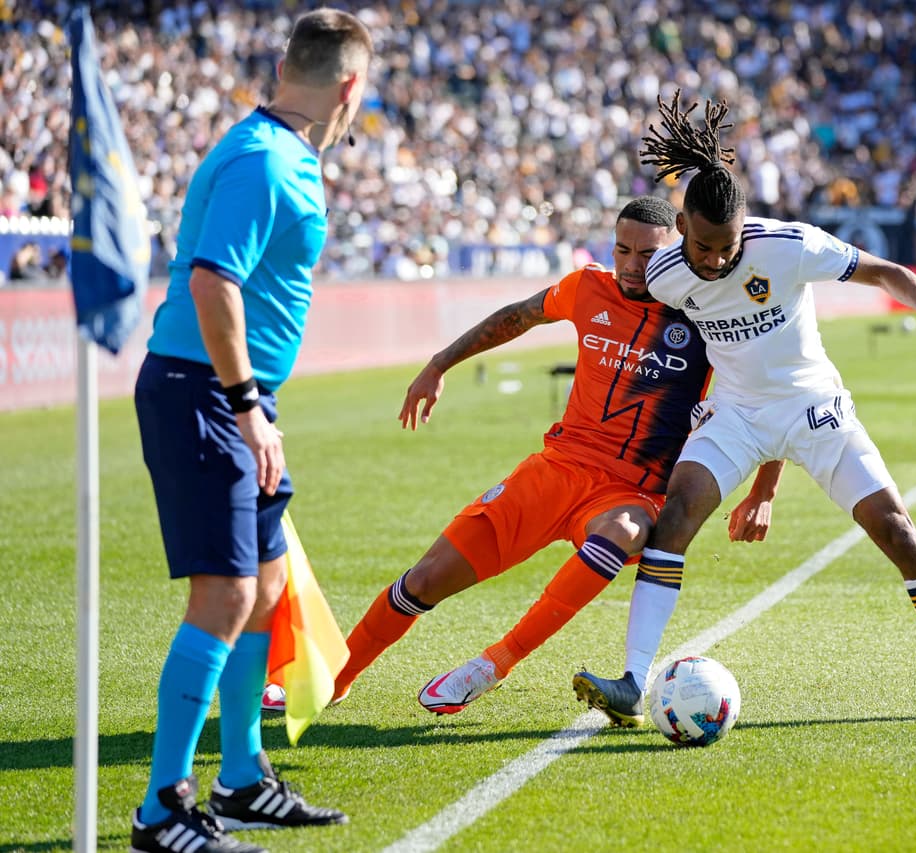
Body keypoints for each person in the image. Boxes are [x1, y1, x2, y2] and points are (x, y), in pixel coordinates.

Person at [573, 91, 916, 726]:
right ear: (682, 227)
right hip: (736, 416)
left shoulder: (790, 245)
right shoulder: (664, 274)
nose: (717, 260)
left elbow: (885, 271)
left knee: (898, 532)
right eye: (706, 246)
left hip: (813, 407)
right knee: (676, 520)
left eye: (728, 246)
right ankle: (633, 681)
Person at [267, 196, 781, 718]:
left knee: (621, 532)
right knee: (422, 582)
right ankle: (337, 677)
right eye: (622, 249)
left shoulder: (709, 313)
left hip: (631, 491)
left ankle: (495, 663)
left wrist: (764, 490)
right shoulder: (588, 288)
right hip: (553, 470)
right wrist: (439, 364)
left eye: (647, 254)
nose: (631, 264)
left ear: (675, 246)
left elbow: (773, 392)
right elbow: (518, 317)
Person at [129, 10, 372, 853]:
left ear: (283, 66)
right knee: (228, 594)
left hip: (234, 396)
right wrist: (246, 404)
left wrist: (252, 402)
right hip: (207, 395)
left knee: (266, 586)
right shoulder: (267, 161)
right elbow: (213, 282)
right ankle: (162, 809)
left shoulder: (279, 151)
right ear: (349, 88)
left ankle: (241, 778)